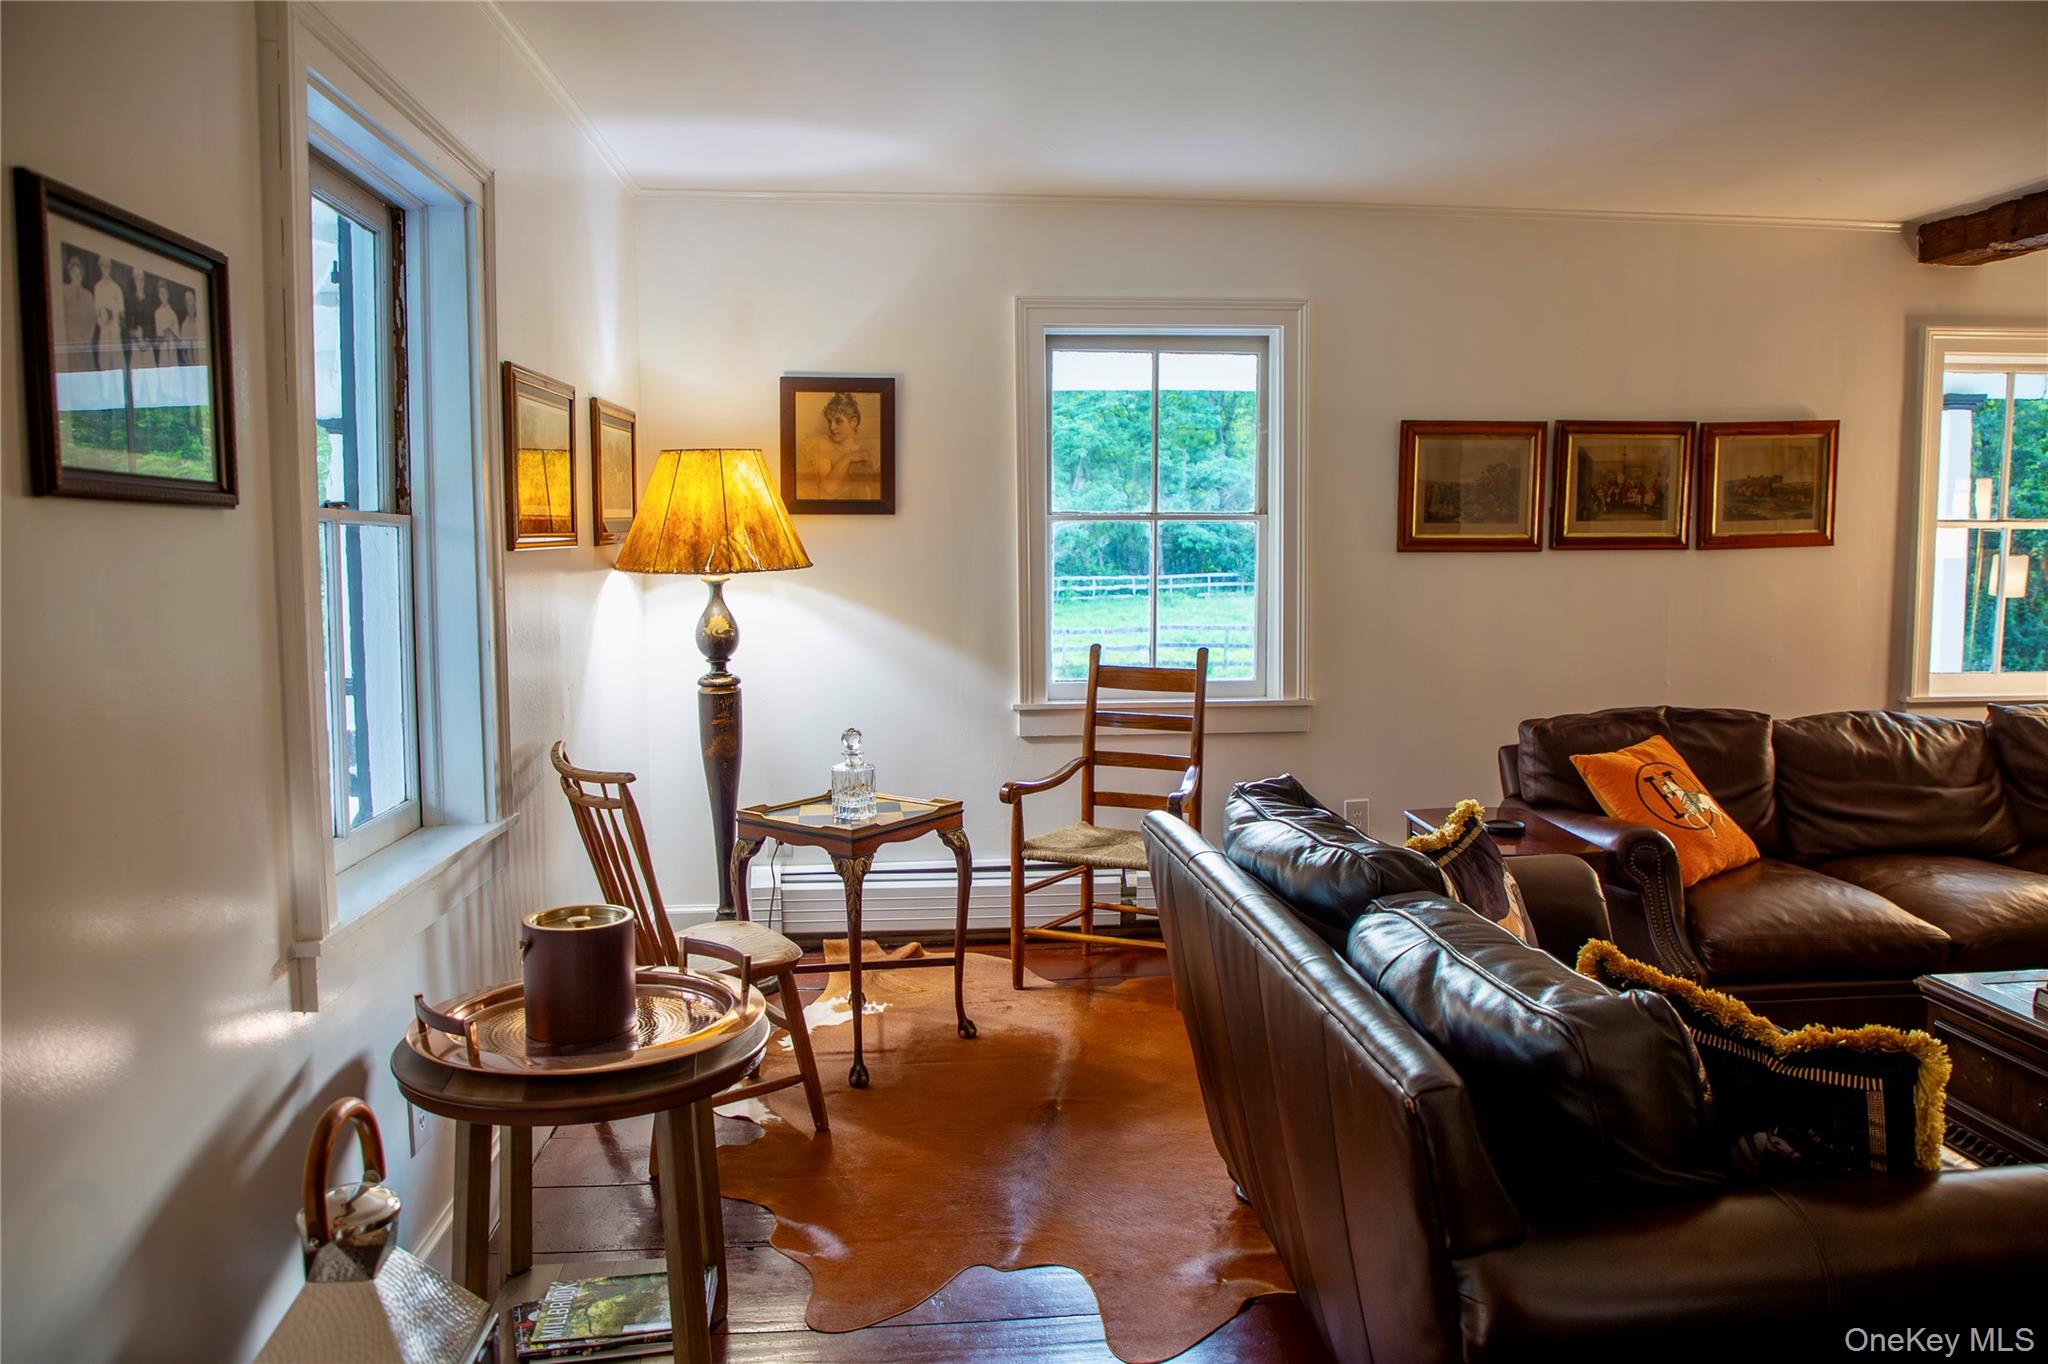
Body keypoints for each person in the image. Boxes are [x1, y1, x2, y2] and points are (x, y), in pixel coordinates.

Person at [795, 391, 882, 501]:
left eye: (838, 421)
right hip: (828, 512)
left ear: (854, 422)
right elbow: (828, 488)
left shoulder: (863, 449)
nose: (832, 427)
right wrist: (848, 458)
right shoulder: (823, 443)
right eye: (829, 421)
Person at [60, 254, 95, 371]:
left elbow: (92, 320)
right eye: (74, 273)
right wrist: (75, 340)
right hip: (71, 347)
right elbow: (61, 319)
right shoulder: (63, 291)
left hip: (86, 347)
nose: (77, 276)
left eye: (79, 274)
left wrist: (87, 340)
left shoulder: (88, 295)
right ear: (70, 273)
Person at [91, 256, 124, 371]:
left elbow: (122, 314)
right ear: (100, 267)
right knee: (105, 366)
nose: (105, 268)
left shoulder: (117, 288)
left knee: (117, 366)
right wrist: (102, 320)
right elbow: (96, 312)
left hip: (115, 332)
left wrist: (114, 318)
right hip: (104, 332)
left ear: (110, 268)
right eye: (103, 265)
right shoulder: (97, 287)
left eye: (107, 266)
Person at [153, 281, 180, 367]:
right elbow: (158, 339)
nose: (163, 295)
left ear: (168, 294)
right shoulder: (157, 313)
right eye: (161, 293)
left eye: (165, 292)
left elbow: (179, 341)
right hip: (163, 353)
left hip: (173, 352)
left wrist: (170, 333)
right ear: (158, 295)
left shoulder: (173, 314)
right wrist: (163, 337)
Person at [178, 286, 202, 363]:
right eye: (187, 301)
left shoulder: (202, 321)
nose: (190, 304)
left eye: (191, 300)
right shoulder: (184, 326)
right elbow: (184, 352)